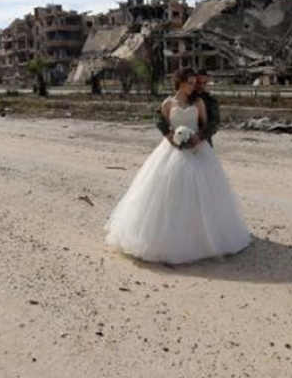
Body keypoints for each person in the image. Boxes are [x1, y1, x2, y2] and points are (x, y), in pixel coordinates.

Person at [106, 67, 252, 264]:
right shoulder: (167, 103)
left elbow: (206, 125)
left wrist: (196, 139)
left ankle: (205, 237)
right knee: (166, 192)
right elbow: (165, 124)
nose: (194, 87)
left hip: (197, 150)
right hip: (171, 151)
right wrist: (172, 138)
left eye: (195, 83)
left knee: (202, 193)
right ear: (180, 83)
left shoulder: (199, 102)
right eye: (190, 83)